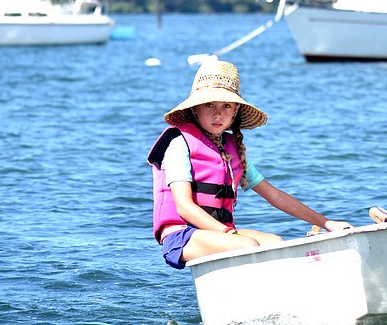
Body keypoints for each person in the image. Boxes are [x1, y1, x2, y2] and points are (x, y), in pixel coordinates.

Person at [148, 59, 352, 270]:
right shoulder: (179, 144)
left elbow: (275, 196)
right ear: (195, 109)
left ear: (235, 110)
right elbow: (184, 207)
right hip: (182, 235)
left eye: (226, 105)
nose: (218, 114)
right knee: (247, 245)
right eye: (209, 104)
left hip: (221, 234)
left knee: (275, 243)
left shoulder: (231, 150)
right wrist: (229, 234)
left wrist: (327, 223)